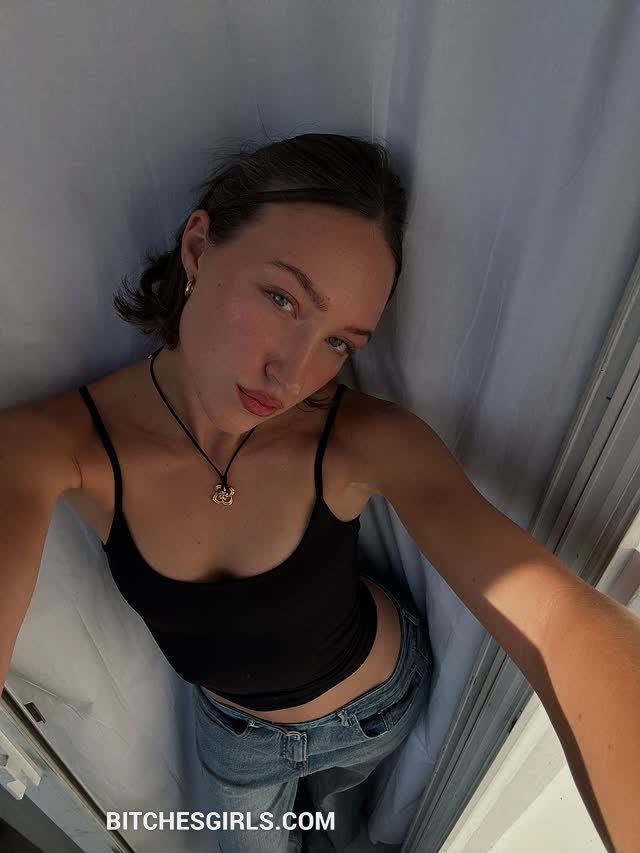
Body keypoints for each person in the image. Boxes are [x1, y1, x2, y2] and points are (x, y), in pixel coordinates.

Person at [0, 132, 637, 853]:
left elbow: (561, 622)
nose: (294, 373)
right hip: (238, 739)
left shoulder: (363, 438)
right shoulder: (51, 445)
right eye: (282, 298)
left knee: (345, 835)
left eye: (340, 342)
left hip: (375, 708)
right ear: (199, 247)